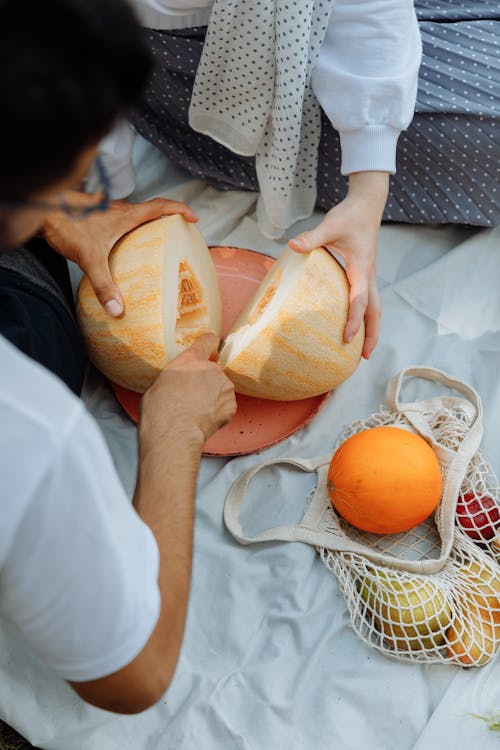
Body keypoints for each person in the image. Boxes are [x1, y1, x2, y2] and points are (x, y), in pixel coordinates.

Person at [0, 0, 236, 716]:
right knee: (48, 335)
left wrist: (50, 209)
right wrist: (173, 439)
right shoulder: (29, 423)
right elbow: (130, 678)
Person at [101, 0, 500, 361]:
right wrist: (101, 194)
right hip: (219, 79)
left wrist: (368, 191)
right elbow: (71, 45)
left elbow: (372, 10)